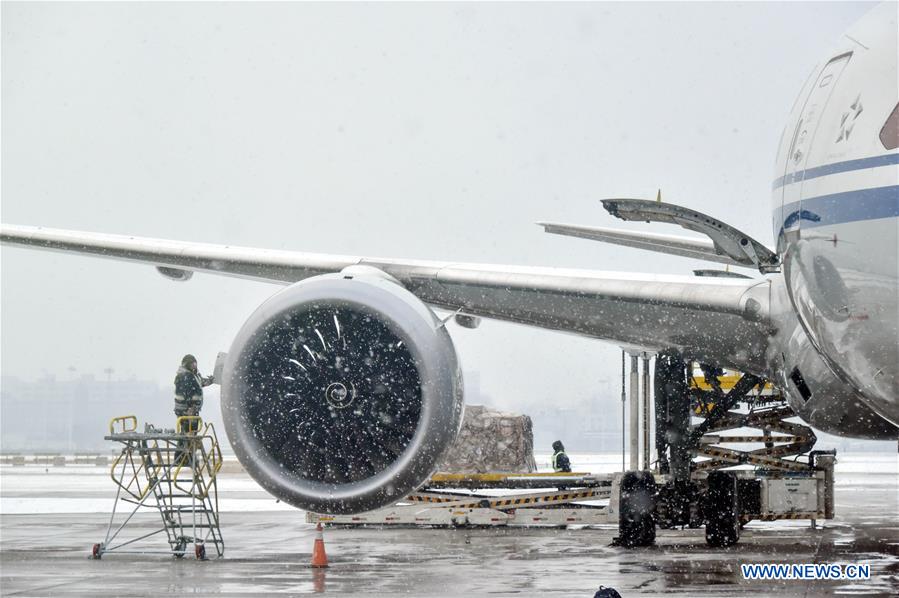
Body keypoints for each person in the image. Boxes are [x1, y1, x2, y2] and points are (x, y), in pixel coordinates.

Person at [173, 354, 214, 462]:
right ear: (187, 364)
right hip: (186, 410)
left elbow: (199, 382)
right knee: (188, 433)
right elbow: (187, 392)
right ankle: (182, 456)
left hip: (192, 409)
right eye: (192, 363)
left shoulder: (192, 375)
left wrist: (209, 381)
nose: (194, 365)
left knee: (189, 432)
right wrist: (190, 407)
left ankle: (184, 456)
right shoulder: (184, 376)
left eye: (195, 363)